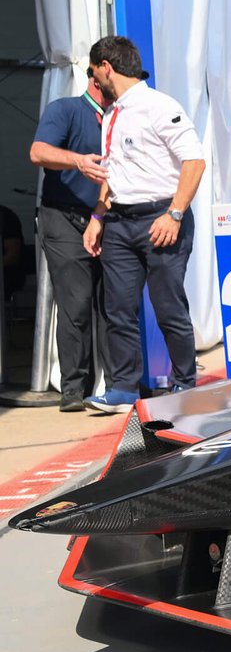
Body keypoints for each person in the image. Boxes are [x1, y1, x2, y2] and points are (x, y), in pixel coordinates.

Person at [80, 36, 205, 414]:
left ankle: (185, 383)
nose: (92, 82)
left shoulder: (158, 106)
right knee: (117, 308)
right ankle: (122, 388)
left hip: (161, 218)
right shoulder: (113, 113)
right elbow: (113, 170)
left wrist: (175, 213)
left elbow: (194, 161)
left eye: (92, 72)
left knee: (168, 306)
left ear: (105, 67)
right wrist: (97, 217)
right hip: (119, 220)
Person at [29, 75, 111, 410]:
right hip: (63, 217)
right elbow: (38, 151)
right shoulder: (66, 109)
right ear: (96, 74)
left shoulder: (124, 118)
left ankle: (117, 384)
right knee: (76, 303)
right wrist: (78, 160)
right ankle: (74, 388)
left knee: (113, 305)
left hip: (106, 217)